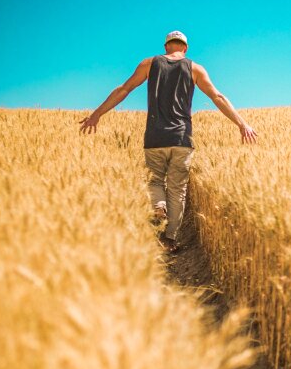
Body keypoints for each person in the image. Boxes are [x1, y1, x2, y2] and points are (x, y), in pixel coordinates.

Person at [79, 30, 257, 252]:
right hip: (182, 139)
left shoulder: (149, 63)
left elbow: (124, 89)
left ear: (166, 47)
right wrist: (242, 124)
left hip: (155, 136)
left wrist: (97, 114)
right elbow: (217, 97)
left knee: (154, 182)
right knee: (177, 190)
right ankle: (170, 239)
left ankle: (158, 206)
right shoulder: (195, 68)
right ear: (185, 48)